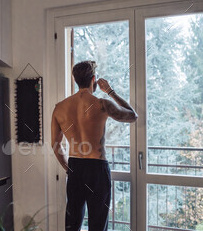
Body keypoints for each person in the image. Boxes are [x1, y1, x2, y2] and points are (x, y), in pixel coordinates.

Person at [51, 60, 138, 231]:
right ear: (93, 79)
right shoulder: (102, 104)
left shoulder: (59, 108)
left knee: (72, 223)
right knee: (98, 223)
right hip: (97, 168)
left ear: (76, 80)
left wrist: (68, 168)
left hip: (75, 166)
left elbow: (55, 145)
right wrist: (110, 91)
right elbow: (132, 116)